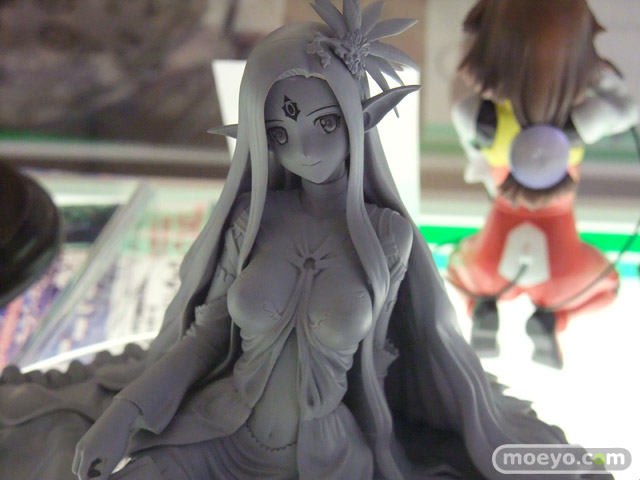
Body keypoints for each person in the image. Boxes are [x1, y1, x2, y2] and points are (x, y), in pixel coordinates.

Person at [1, 1, 600, 479]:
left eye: (325, 123)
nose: (304, 149)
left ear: (357, 120)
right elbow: (204, 340)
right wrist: (122, 416)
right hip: (215, 436)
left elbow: (410, 353)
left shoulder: (388, 238)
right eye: (279, 132)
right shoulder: (251, 222)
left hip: (329, 457)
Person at [448, 0, 638, 367]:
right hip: (561, 264)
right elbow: (628, 109)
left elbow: (475, 160)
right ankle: (553, 319)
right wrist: (594, 74)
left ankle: (482, 306)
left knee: (458, 267)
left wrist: (474, 47)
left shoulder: (478, 118)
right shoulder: (581, 121)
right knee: (608, 286)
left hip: (491, 259)